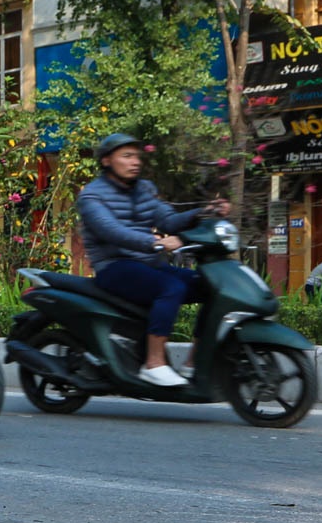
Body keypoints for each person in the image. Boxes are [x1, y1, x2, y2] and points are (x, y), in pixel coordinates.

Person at [76, 134, 229, 387]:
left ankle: (195, 362)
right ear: (106, 161)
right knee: (172, 288)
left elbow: (167, 220)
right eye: (126, 156)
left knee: (212, 286)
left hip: (149, 265)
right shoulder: (92, 196)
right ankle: (154, 364)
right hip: (115, 267)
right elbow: (111, 231)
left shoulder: (144, 189)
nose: (135, 161)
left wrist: (202, 212)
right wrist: (155, 243)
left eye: (137, 156)